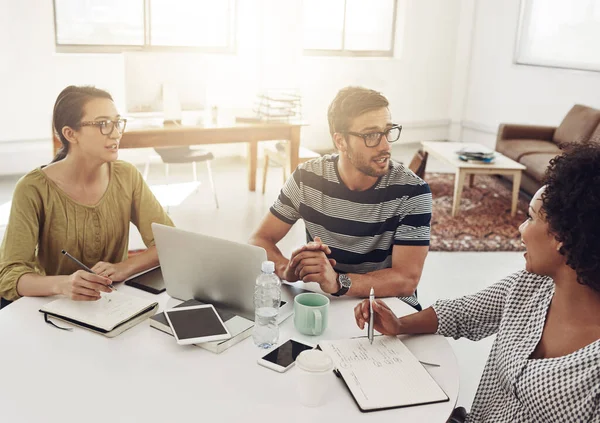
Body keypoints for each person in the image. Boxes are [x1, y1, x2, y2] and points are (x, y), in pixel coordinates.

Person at [354, 143, 600, 422]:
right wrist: (400, 325)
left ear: (561, 237)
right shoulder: (529, 285)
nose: (521, 229)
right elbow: (461, 314)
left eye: (530, 218)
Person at [250, 86, 432, 309]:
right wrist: (286, 270)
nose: (386, 146)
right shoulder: (306, 179)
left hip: (386, 308)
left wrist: (338, 282)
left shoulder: (413, 191)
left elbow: (406, 279)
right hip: (326, 303)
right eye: (372, 135)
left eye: (387, 131)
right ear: (341, 141)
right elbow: (260, 241)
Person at [0, 85, 173, 305]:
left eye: (117, 123)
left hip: (111, 304)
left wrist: (123, 268)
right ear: (70, 134)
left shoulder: (127, 175)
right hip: (51, 307)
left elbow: (168, 242)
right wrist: (61, 284)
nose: (116, 133)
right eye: (103, 124)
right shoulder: (32, 189)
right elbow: (9, 274)